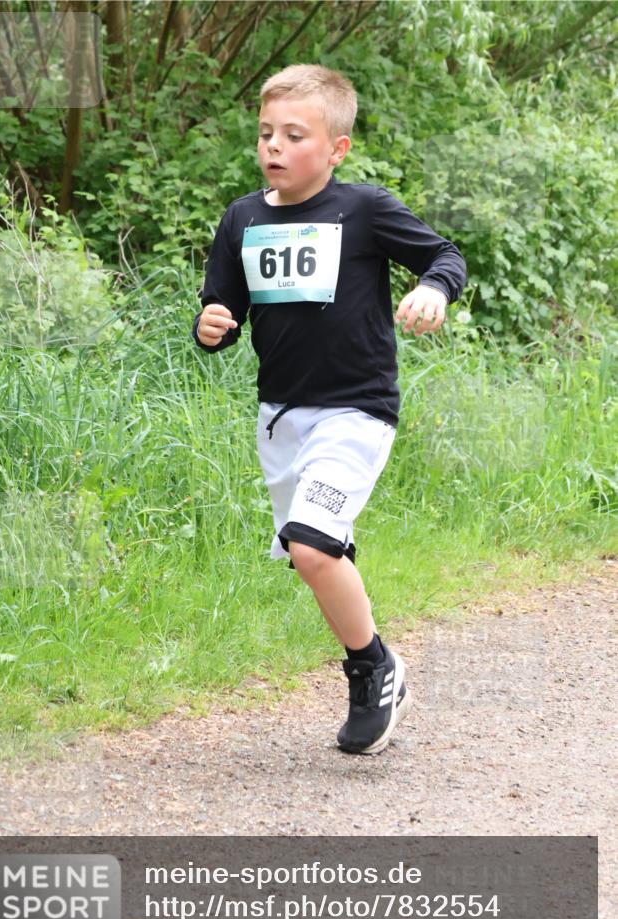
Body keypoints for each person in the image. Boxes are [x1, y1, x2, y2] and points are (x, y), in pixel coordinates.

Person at [191, 64, 467, 755]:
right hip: (280, 419)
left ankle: (371, 667)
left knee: (311, 545)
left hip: (356, 409)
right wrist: (211, 325)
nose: (272, 147)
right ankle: (370, 641)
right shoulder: (242, 219)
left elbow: (443, 255)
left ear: (335, 149)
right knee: (312, 555)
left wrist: (433, 290)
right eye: (264, 134)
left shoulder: (363, 209)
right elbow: (223, 309)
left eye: (292, 134)